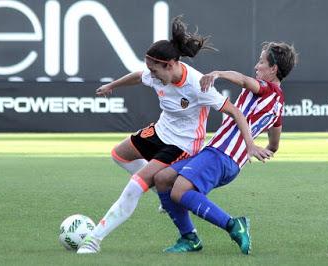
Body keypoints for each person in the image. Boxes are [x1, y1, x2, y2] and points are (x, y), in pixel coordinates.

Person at [77, 16, 272, 254]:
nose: (151, 74)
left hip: (183, 144)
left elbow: (236, 112)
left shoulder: (198, 85)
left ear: (170, 65)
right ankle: (162, 193)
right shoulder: (155, 72)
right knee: (119, 155)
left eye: (154, 70)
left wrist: (250, 144)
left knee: (134, 187)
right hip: (160, 131)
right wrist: (112, 86)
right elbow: (139, 76)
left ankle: (94, 239)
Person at [154, 41, 298, 254]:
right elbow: (274, 144)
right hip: (226, 159)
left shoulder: (266, 89)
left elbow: (244, 80)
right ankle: (189, 238)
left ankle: (232, 225)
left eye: (261, 62)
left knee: (179, 191)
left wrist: (218, 73)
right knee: (163, 178)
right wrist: (259, 149)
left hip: (221, 154)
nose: (257, 67)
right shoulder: (278, 105)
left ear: (273, 69)